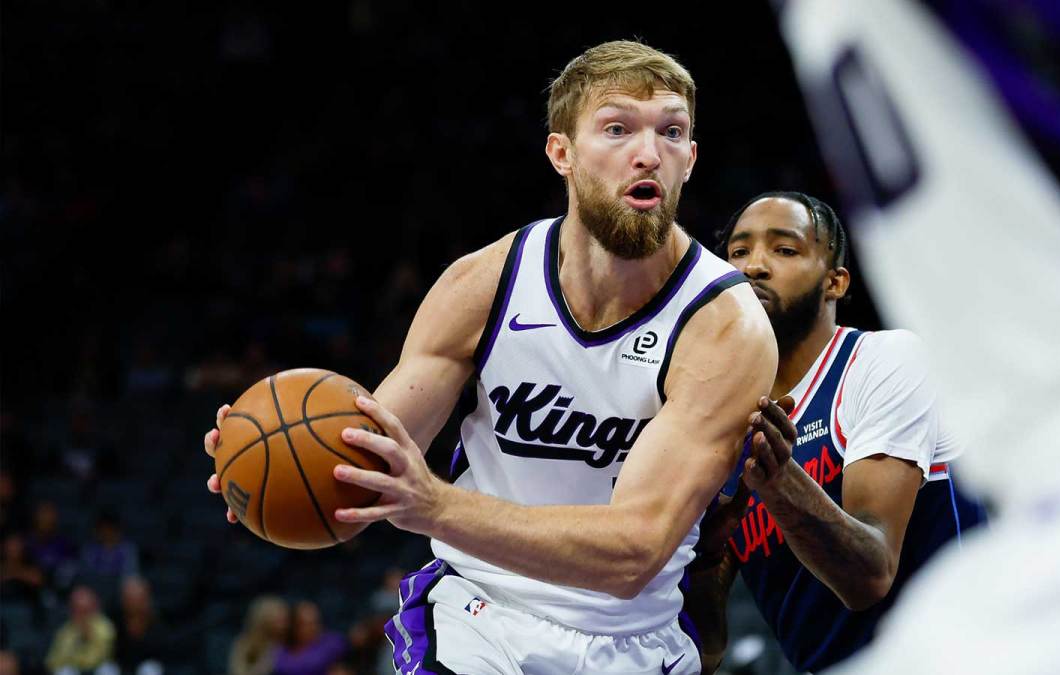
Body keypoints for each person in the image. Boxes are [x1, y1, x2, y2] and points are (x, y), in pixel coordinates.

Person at [203, 39, 777, 675]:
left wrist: (436, 505)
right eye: (617, 129)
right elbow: (365, 466)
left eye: (671, 132)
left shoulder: (725, 327)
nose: (648, 153)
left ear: (690, 158)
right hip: (480, 614)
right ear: (561, 153)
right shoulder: (484, 284)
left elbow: (633, 554)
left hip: (633, 636)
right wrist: (272, 469)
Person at [685, 192, 985, 673]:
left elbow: (870, 576)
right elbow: (707, 649)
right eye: (739, 252)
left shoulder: (882, 362)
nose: (754, 266)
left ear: (835, 282)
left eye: (784, 249)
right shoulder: (721, 423)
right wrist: (705, 557)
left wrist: (779, 482)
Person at [44, 585, 116, 674]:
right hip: (75, 671)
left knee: (108, 669)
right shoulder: (66, 631)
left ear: (94, 608)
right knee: (64, 672)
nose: (82, 616)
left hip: (96, 670)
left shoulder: (105, 627)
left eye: (85, 611)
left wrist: (88, 635)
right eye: (77, 610)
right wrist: (76, 640)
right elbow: (53, 662)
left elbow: (99, 657)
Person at [228, 595, 288, 675]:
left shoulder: (288, 643)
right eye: (280, 621)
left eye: (285, 619)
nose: (286, 625)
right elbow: (237, 671)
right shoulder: (244, 643)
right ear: (264, 621)